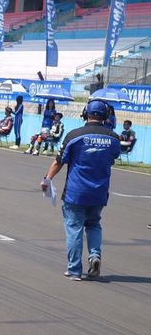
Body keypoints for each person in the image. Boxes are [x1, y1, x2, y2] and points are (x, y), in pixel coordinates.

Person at [40, 100, 120, 281]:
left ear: (85, 113)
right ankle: (94, 256)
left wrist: (47, 179)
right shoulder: (114, 138)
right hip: (99, 192)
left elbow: (60, 160)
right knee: (93, 225)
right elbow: (113, 157)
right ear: (106, 116)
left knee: (74, 228)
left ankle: (75, 269)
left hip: (76, 192)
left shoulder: (74, 135)